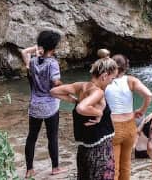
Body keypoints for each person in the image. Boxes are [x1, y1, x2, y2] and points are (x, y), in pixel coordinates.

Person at [51, 51, 119, 179]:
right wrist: (99, 113)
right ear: (104, 76)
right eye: (112, 78)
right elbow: (82, 109)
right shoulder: (97, 92)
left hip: (84, 148)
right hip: (100, 150)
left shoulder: (81, 86)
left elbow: (54, 91)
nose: (112, 82)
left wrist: (75, 101)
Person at [21, 30, 66, 178]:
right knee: (52, 137)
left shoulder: (33, 62)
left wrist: (38, 47)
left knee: (31, 137)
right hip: (50, 106)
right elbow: (55, 82)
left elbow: (24, 52)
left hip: (35, 106)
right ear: (53, 49)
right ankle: (55, 168)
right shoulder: (52, 63)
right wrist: (64, 86)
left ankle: (29, 169)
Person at [105, 54, 152, 180]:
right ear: (126, 67)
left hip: (113, 126)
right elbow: (149, 95)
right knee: (126, 165)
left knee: (113, 166)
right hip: (129, 126)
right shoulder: (130, 80)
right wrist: (142, 111)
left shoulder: (105, 80)